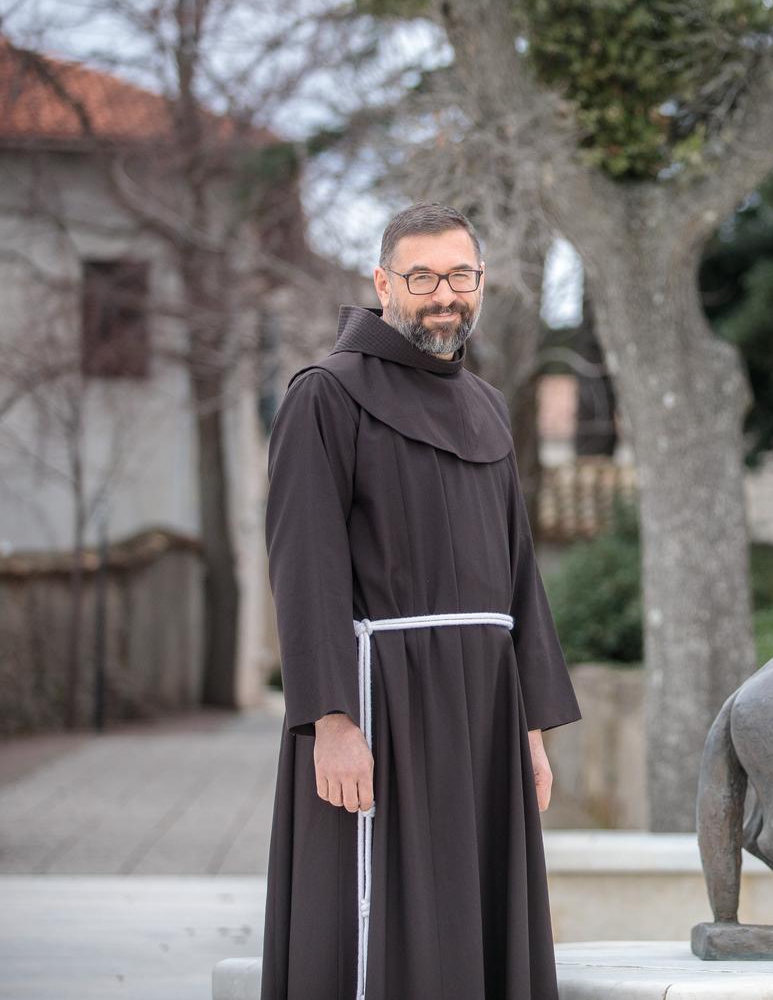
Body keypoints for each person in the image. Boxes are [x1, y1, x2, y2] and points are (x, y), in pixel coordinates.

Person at [259, 202, 582, 999]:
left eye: (461, 276)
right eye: (423, 277)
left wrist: (531, 727)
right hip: (382, 707)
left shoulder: (488, 405)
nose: (445, 295)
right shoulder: (325, 397)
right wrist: (329, 721)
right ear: (383, 283)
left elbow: (517, 572)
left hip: (484, 713)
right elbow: (305, 568)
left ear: (481, 282)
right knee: (383, 931)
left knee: (478, 921)